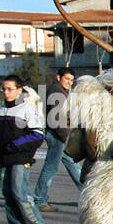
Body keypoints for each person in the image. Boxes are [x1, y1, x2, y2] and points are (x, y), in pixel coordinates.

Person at [0, 74, 47, 224]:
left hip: (20, 158)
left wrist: (15, 145)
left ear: (19, 91)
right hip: (4, 158)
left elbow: (37, 135)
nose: (6, 92)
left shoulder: (26, 109)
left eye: (10, 89)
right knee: (8, 194)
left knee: (20, 193)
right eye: (3, 89)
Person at [33, 68, 82, 211]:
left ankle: (88, 194)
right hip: (58, 135)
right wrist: (68, 137)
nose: (69, 82)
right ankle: (39, 200)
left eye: (72, 80)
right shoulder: (56, 91)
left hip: (59, 134)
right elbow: (56, 119)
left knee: (73, 164)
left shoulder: (60, 91)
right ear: (58, 77)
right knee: (51, 168)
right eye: (67, 79)